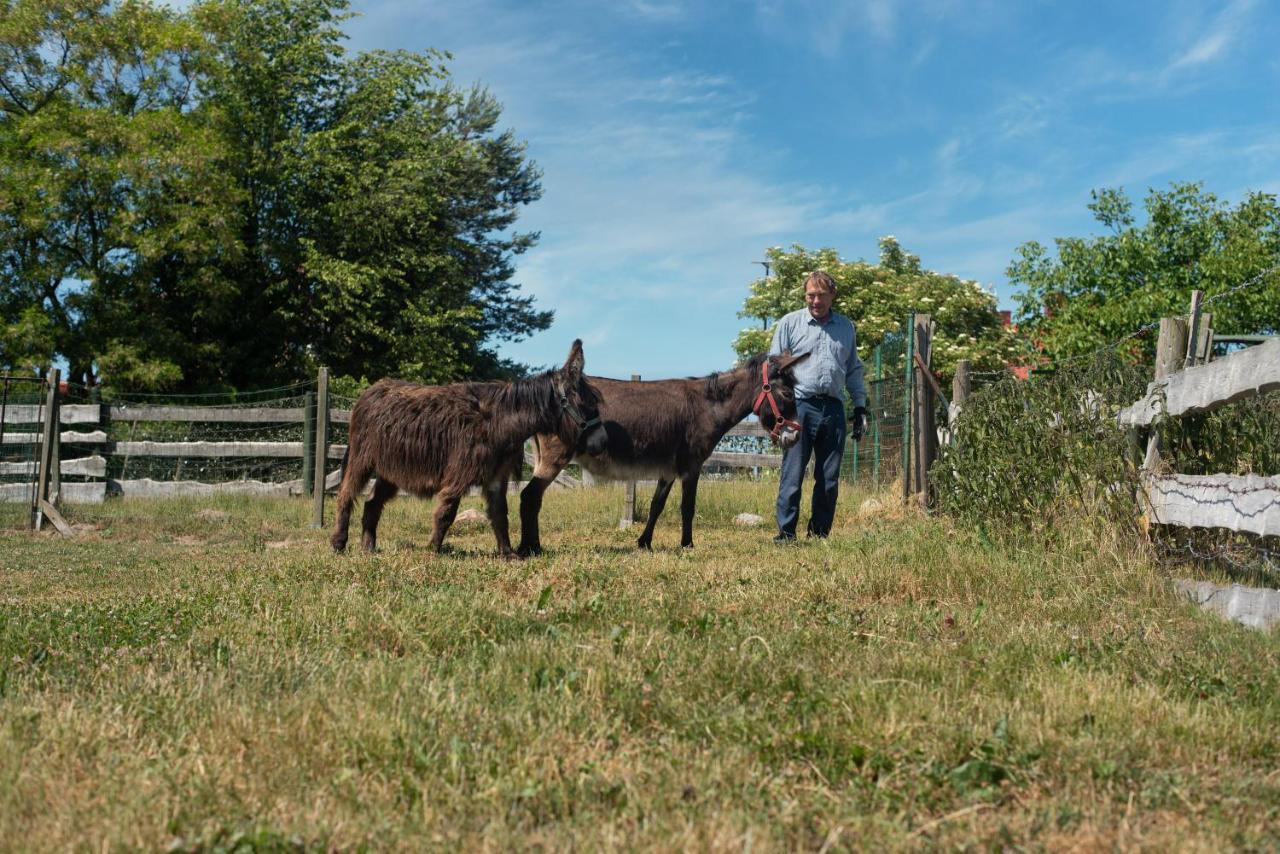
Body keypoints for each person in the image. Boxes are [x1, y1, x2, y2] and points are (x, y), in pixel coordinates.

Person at [768, 270, 867, 541]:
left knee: (829, 477)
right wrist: (779, 410)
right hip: (799, 406)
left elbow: (853, 370)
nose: (815, 301)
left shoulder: (846, 328)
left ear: (832, 295)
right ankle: (786, 533)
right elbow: (774, 367)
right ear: (805, 296)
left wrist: (859, 407)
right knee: (792, 473)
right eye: (811, 295)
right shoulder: (790, 324)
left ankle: (819, 533)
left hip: (833, 408)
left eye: (821, 295)